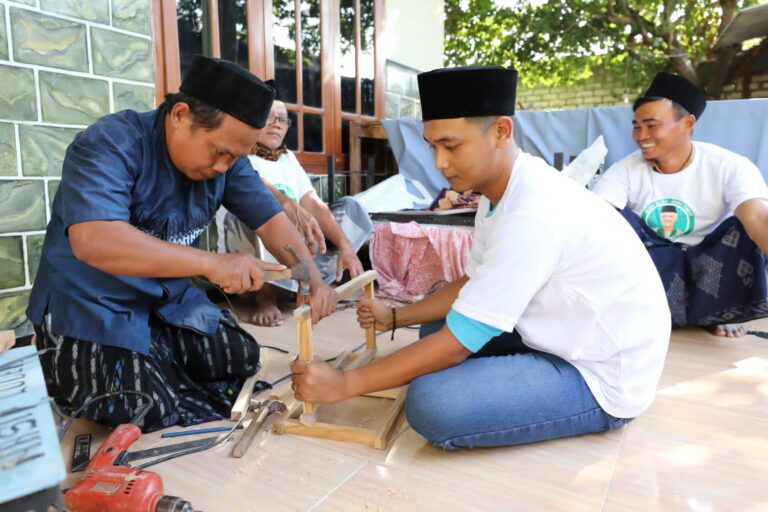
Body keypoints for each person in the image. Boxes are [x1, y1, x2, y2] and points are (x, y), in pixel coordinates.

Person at [289, 66, 670, 450]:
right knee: (432, 330)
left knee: (435, 404)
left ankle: (578, 401)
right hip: (569, 332)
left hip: (603, 373)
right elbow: (473, 281)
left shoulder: (532, 212)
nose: (439, 162)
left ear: (501, 131)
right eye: (432, 146)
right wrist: (396, 316)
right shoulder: (499, 191)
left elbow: (459, 343)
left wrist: (345, 384)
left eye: (452, 146)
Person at [26, 56, 336, 431]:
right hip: (91, 305)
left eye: (234, 157)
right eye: (219, 151)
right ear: (180, 115)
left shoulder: (229, 162)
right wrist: (211, 263)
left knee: (241, 356)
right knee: (140, 405)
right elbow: (95, 240)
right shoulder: (109, 143)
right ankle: (64, 363)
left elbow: (271, 221)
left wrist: (311, 277)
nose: (223, 166)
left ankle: (153, 355)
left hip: (164, 304)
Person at [592, 72, 768, 338]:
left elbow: (758, 219)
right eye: (637, 126)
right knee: (611, 220)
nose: (641, 135)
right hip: (655, 269)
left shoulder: (729, 165)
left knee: (745, 227)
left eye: (651, 125)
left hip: (711, 269)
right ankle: (642, 314)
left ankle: (724, 311)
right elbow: (590, 221)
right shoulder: (624, 171)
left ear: (686, 124)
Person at [217, 80, 372, 326]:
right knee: (254, 214)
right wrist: (287, 204)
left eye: (283, 119)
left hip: (293, 249)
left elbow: (311, 201)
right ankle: (265, 297)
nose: (277, 125)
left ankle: (312, 283)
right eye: (270, 117)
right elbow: (257, 189)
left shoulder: (288, 158)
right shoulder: (241, 154)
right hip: (251, 247)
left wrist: (345, 245)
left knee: (349, 207)